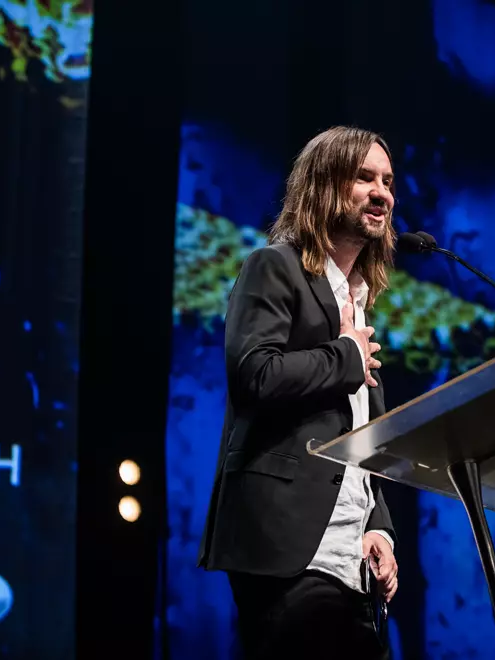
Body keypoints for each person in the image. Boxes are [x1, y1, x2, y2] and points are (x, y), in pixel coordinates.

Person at [197, 126, 400, 659]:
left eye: (388, 181)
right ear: (324, 185)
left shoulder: (358, 309)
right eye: (364, 177)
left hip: (349, 568)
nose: (382, 193)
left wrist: (379, 526)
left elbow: (362, 444)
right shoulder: (273, 268)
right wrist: (346, 356)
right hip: (285, 548)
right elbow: (254, 374)